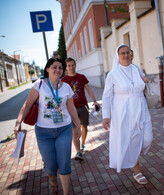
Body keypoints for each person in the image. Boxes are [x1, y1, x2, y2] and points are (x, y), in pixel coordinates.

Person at [14, 57, 81, 194]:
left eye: (60, 68)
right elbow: (27, 104)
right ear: (47, 69)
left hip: (64, 129)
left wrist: (78, 125)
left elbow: (72, 109)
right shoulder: (39, 85)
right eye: (54, 67)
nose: (57, 70)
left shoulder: (66, 87)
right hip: (44, 132)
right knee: (50, 166)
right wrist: (18, 122)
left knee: (64, 164)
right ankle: (52, 180)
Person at [102, 44, 153, 184]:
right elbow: (106, 97)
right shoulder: (112, 74)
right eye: (122, 53)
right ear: (118, 56)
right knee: (132, 140)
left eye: (128, 52)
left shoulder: (137, 69)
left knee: (147, 138)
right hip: (123, 112)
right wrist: (106, 116)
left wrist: (146, 82)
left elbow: (145, 89)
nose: (125, 55)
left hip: (141, 107)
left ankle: (134, 156)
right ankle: (137, 170)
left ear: (131, 54)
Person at [62, 57, 100, 160]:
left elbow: (89, 90)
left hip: (83, 107)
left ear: (75, 65)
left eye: (72, 65)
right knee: (74, 130)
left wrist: (95, 101)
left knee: (84, 127)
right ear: (66, 67)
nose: (71, 67)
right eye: (69, 65)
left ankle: (83, 144)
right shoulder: (64, 80)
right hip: (70, 110)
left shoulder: (81, 77)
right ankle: (78, 152)